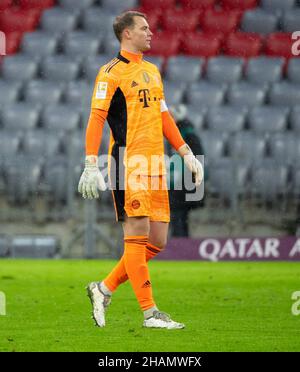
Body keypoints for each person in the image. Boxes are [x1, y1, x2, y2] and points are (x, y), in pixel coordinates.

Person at [78, 11, 203, 330]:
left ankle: (103, 289)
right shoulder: (110, 73)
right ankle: (150, 313)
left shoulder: (151, 70)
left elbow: (164, 117)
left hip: (155, 163)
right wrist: (91, 162)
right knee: (135, 237)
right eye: (144, 28)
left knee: (157, 240)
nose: (150, 33)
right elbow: (96, 118)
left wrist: (185, 152)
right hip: (126, 162)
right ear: (126, 34)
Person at [168, 104, 205, 237]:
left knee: (178, 216)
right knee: (180, 217)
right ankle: (182, 245)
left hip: (183, 184)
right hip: (182, 183)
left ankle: (179, 244)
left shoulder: (187, 136)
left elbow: (196, 159)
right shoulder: (185, 133)